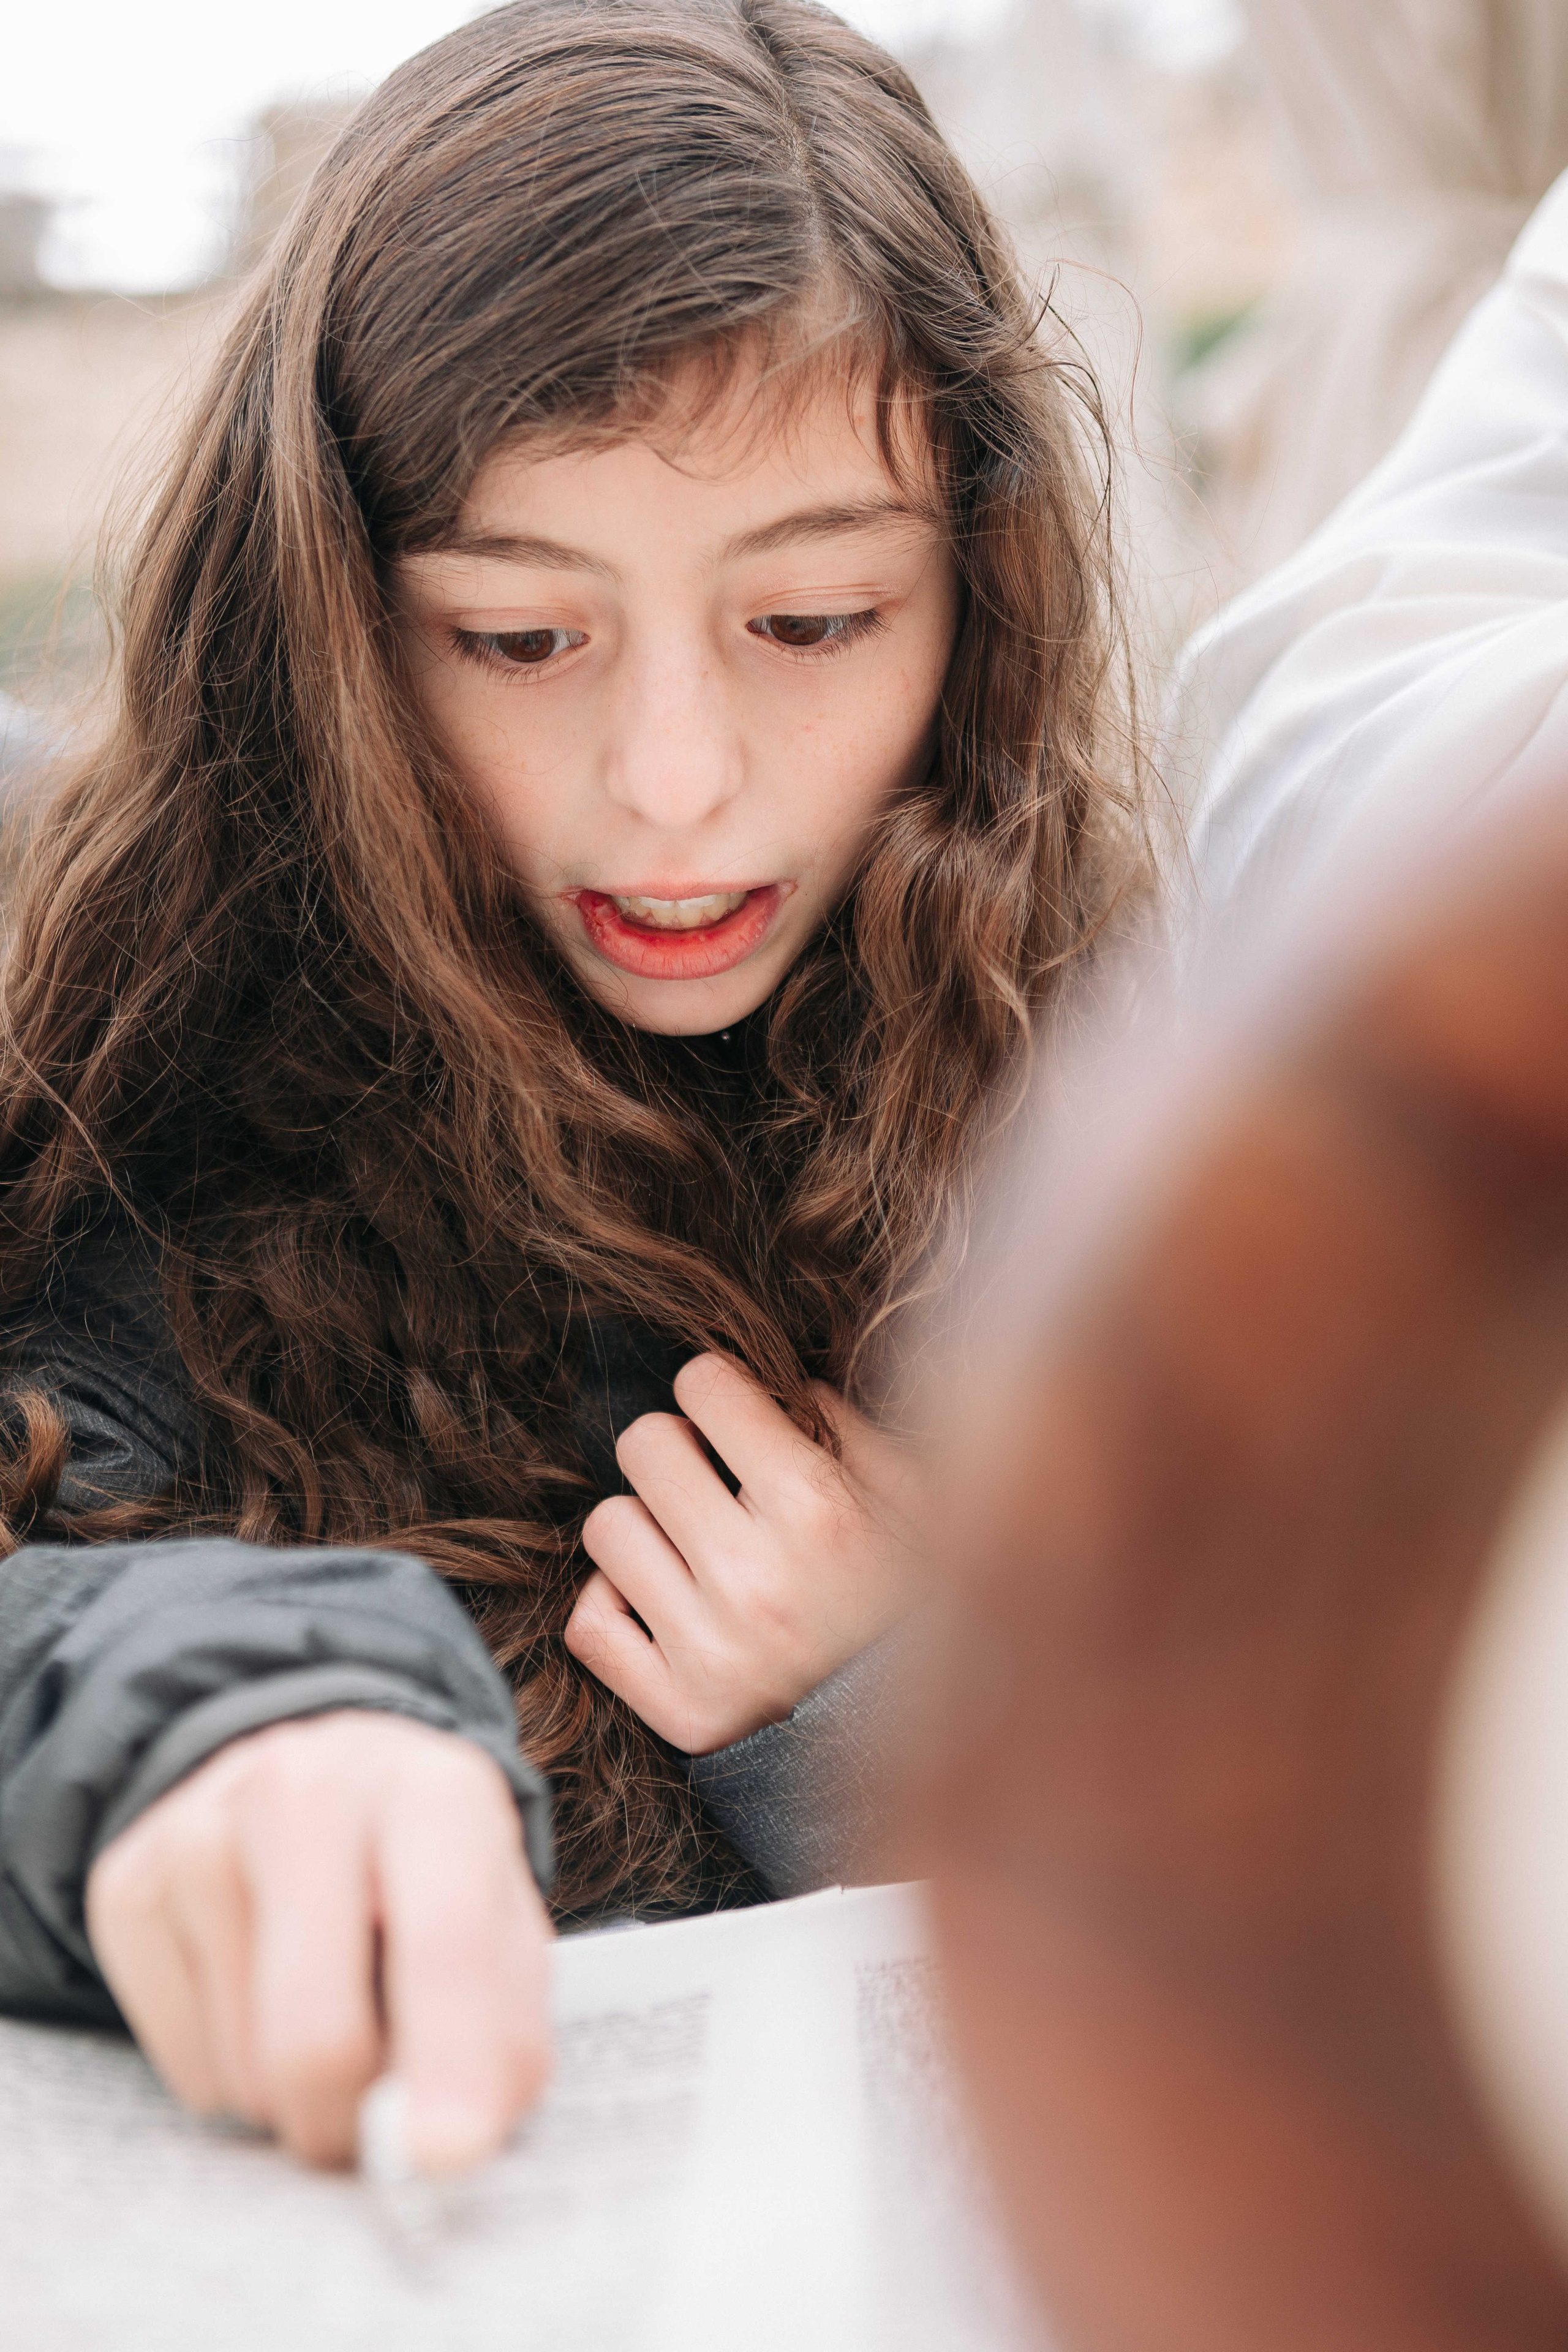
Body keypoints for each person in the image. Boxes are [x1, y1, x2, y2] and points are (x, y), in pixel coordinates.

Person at [0, 0, 1142, 2176]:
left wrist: (906, 1712)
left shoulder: (1121, 1088)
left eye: (814, 621)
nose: (679, 786)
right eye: (523, 639)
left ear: (977, 601)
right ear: (331, 627)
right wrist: (223, 1712)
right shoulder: (123, 1067)